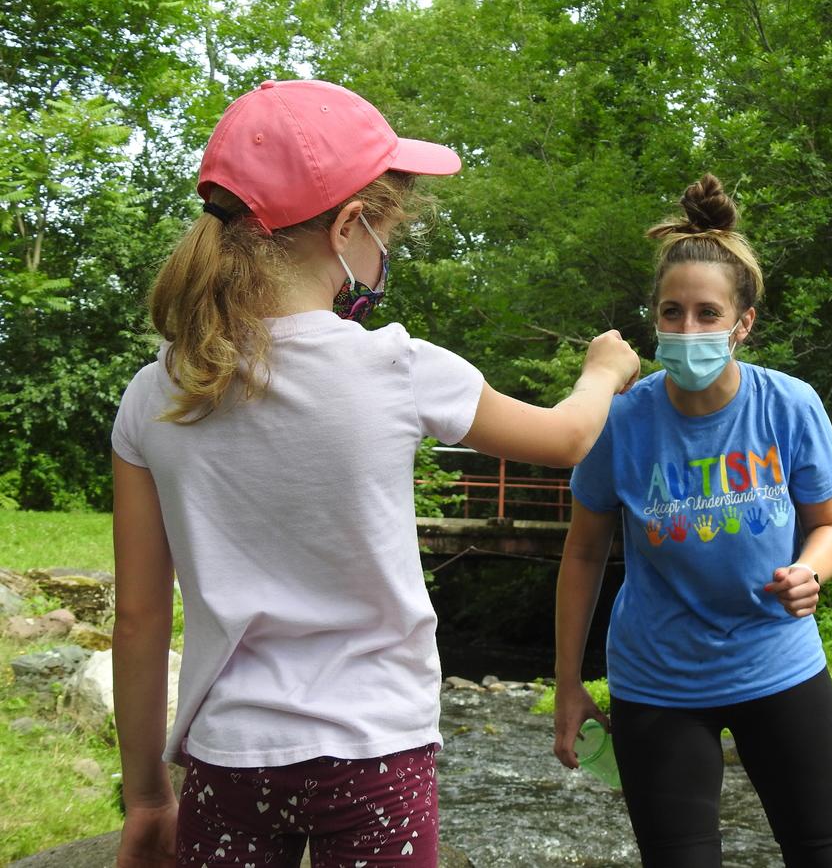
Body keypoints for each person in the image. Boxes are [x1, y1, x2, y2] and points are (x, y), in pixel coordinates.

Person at [110, 78, 640, 868]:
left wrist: (150, 796)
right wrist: (603, 370)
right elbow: (566, 437)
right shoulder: (398, 366)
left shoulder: (157, 390)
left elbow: (141, 618)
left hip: (229, 756)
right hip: (376, 752)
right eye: (386, 229)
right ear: (350, 225)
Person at [553, 174, 832, 868]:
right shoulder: (619, 421)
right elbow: (582, 555)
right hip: (657, 681)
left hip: (778, 663)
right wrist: (568, 683)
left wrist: (812, 568)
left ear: (742, 322)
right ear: (653, 318)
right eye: (671, 313)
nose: (687, 330)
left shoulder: (789, 406)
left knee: (830, 858)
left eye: (706, 314)